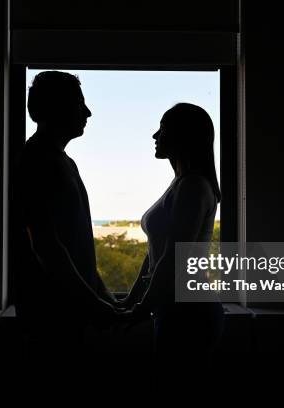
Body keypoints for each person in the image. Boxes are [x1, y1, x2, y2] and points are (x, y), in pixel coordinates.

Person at [15, 71, 119, 352]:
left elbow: (75, 247)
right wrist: (92, 302)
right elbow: (46, 244)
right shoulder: (36, 160)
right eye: (79, 103)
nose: (88, 112)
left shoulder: (62, 162)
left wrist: (103, 296)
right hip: (50, 317)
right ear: (54, 108)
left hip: (65, 312)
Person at [119, 103, 224, 367]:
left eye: (163, 129)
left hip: (189, 312)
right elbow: (155, 251)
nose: (155, 136)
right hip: (174, 308)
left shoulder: (193, 186)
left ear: (183, 136)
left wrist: (141, 307)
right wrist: (134, 299)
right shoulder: (181, 183)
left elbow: (174, 255)